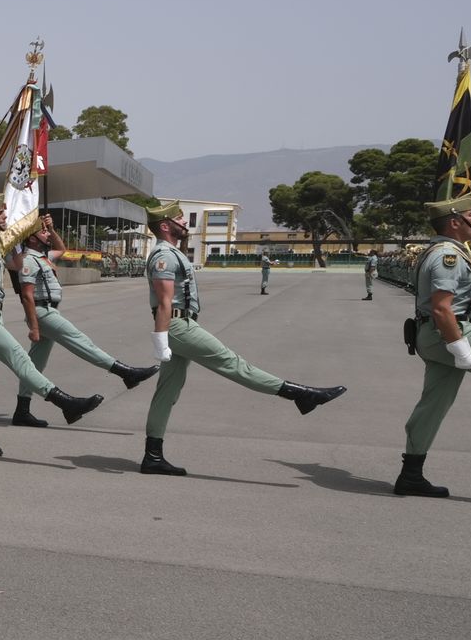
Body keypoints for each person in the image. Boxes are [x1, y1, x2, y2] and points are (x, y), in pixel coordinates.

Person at [140, 200, 347, 475]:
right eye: (180, 219)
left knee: (167, 392)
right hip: (178, 326)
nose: (185, 222)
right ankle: (299, 394)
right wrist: (161, 340)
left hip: (178, 325)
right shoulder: (162, 256)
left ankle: (152, 457)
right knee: (233, 364)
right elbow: (165, 302)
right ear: (166, 226)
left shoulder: (172, 253)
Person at [0, 194, 104, 457]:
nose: (5, 216)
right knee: (19, 357)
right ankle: (63, 402)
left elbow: (19, 264)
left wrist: (17, 240)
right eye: (0, 213)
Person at [9, 215, 159, 428]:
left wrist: (51, 229)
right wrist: (34, 327)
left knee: (34, 365)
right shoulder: (28, 260)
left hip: (47, 310)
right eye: (41, 232)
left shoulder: (42, 256)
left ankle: (22, 411)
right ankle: (125, 372)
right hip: (43, 312)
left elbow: (61, 249)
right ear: (31, 239)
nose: (46, 234)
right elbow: (27, 296)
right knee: (81, 341)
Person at [392, 193, 471, 497]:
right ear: (455, 222)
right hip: (449, 332)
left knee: (433, 405)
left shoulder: (443, 250)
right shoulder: (449, 256)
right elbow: (443, 308)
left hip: (431, 335)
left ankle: (410, 475)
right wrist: (460, 347)